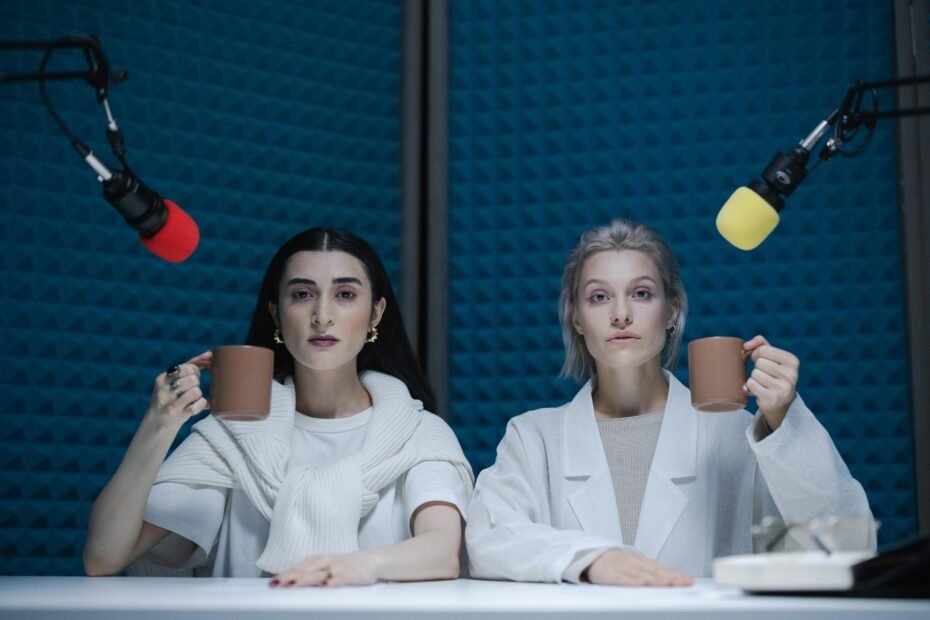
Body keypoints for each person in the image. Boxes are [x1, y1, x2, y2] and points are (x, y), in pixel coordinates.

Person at [465, 218, 874, 586]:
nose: (621, 314)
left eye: (641, 293)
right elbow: (486, 537)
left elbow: (847, 545)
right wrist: (591, 560)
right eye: (599, 297)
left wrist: (784, 421)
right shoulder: (534, 437)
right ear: (576, 317)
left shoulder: (732, 434)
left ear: (672, 310)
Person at [84, 228, 473, 586]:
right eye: (303, 294)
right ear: (275, 313)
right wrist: (159, 425)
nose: (323, 316)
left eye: (345, 294)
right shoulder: (232, 436)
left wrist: (354, 567)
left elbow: (442, 553)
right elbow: (104, 557)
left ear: (375, 313)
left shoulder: (419, 433)